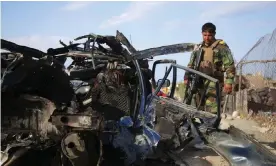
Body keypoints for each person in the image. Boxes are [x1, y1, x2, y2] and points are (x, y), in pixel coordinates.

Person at [184, 22, 236, 114]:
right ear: (201, 34)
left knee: (212, 107)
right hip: (199, 80)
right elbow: (191, 64)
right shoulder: (198, 48)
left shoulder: (221, 47)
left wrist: (229, 82)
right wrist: (186, 77)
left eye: (209, 35)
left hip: (214, 81)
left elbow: (230, 65)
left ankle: (211, 126)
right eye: (205, 35)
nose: (207, 38)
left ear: (214, 34)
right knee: (198, 105)